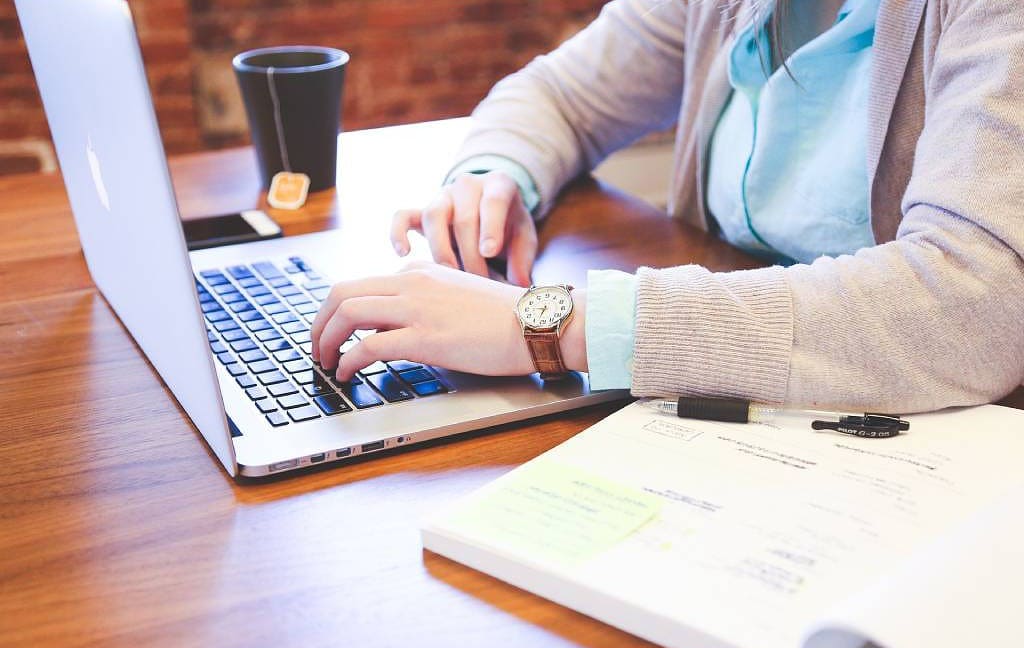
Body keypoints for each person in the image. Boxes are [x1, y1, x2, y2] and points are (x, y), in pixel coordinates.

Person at [311, 0, 1024, 413]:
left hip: (923, 444)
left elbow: (976, 299)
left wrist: (552, 325)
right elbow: (561, 94)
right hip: (737, 414)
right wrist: (492, 176)